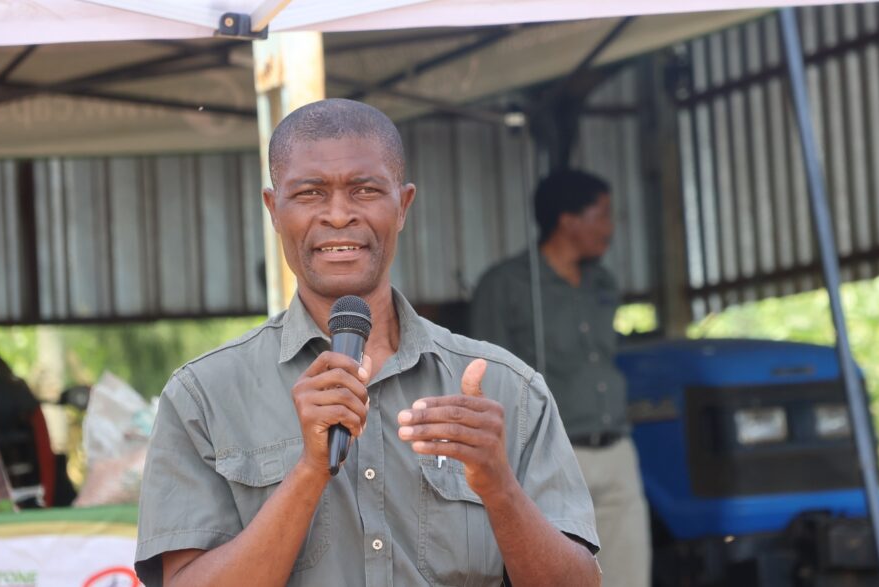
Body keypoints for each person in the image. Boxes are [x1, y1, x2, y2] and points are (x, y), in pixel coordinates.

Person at [134, 99, 602, 587]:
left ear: (403, 205)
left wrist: (500, 487)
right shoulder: (204, 396)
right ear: (274, 210)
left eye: (365, 190)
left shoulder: (509, 390)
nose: (338, 216)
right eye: (311, 193)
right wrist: (310, 471)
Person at [470, 169, 651, 587]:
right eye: (602, 215)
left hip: (616, 449)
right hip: (552, 453)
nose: (610, 228)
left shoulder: (602, 282)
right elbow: (484, 374)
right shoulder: (507, 284)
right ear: (568, 221)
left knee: (630, 578)